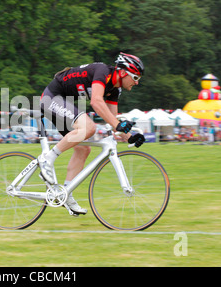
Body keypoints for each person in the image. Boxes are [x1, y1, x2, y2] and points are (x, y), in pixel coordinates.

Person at [39, 52, 146, 216]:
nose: (137, 83)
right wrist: (118, 125)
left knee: (83, 149)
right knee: (89, 127)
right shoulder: (103, 72)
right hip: (52, 98)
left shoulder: (114, 90)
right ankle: (47, 161)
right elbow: (96, 101)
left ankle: (65, 194)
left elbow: (113, 120)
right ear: (124, 72)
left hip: (62, 102)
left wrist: (130, 136)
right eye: (136, 78)